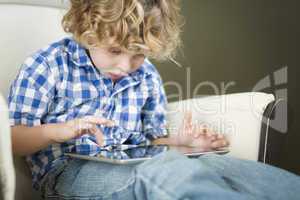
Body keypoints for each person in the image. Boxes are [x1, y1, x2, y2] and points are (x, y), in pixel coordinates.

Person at [7, 0, 300, 199]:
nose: (125, 66)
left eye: (138, 54)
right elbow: (11, 141)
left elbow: (149, 143)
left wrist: (181, 144)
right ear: (87, 32)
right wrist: (60, 130)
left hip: (136, 160)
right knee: (163, 173)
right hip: (68, 172)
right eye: (114, 51)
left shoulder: (145, 75)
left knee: (221, 168)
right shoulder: (46, 66)